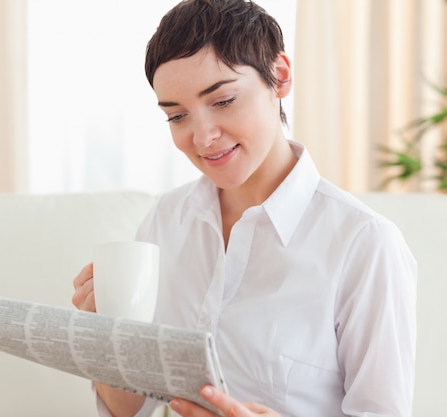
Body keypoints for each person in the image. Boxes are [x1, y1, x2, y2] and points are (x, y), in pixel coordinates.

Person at [72, 0, 417, 416]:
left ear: (280, 76)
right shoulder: (164, 223)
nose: (202, 137)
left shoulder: (364, 246)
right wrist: (102, 338)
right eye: (177, 116)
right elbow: (131, 410)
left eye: (222, 101)